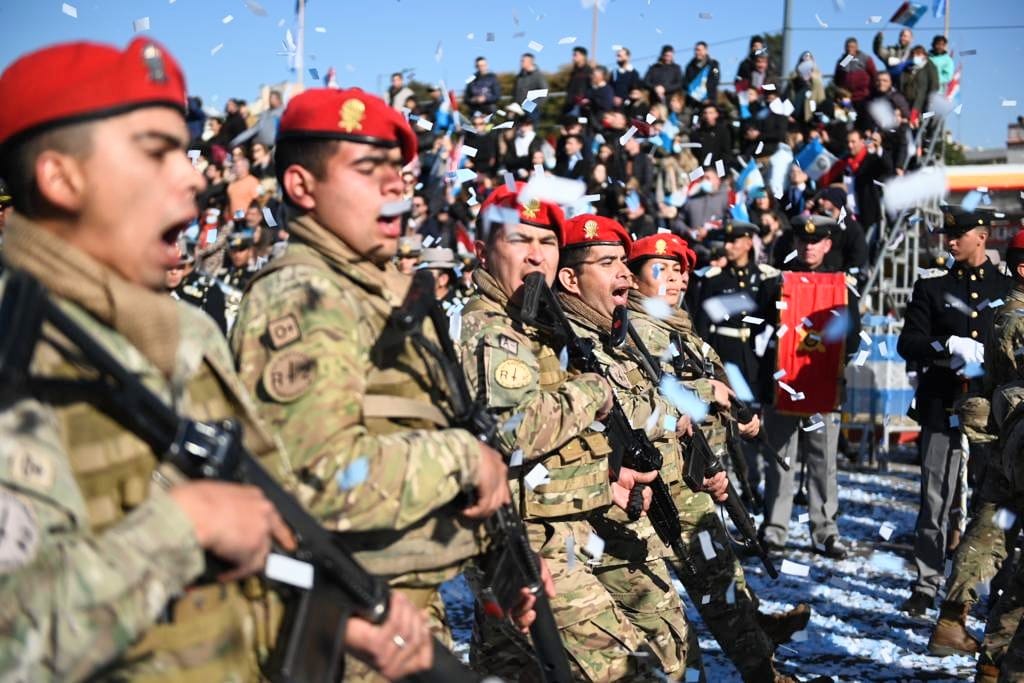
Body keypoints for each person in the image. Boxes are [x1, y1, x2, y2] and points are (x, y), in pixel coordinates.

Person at [0, 37, 436, 681]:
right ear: (61, 178)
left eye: (186, 150)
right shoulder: (18, 351)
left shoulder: (181, 332)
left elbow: (260, 535)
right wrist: (186, 523)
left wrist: (337, 620)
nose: (195, 176)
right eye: (155, 152)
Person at [230, 88, 544, 675]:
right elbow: (319, 480)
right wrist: (465, 459)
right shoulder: (305, 293)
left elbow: (403, 440)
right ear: (301, 187)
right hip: (349, 623)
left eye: (399, 172)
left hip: (400, 606)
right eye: (368, 169)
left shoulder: (369, 292)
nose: (397, 186)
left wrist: (503, 563)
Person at [457, 185, 663, 680]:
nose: (536, 255)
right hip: (526, 545)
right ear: (483, 251)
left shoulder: (526, 324)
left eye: (547, 242)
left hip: (541, 533)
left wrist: (603, 481)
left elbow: (540, 456)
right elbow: (520, 431)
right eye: (519, 240)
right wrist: (594, 392)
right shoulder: (492, 330)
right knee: (629, 671)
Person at [627, 233, 807, 683]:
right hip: (665, 476)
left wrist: (734, 416)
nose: (672, 280)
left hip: (687, 468)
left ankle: (757, 634)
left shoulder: (673, 324)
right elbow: (660, 398)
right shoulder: (644, 327)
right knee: (712, 578)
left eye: (679, 271)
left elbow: (708, 381)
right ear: (633, 275)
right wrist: (714, 397)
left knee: (719, 568)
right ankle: (760, 664)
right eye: (659, 270)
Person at [896, 206, 1012, 616]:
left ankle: (979, 585)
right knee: (934, 499)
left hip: (992, 415)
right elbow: (907, 343)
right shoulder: (931, 288)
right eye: (948, 235)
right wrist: (945, 344)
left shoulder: (1009, 285)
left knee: (990, 500)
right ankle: (926, 582)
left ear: (981, 235)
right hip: (941, 403)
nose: (950, 241)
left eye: (958, 234)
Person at [926, 230, 1024, 664]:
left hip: (1005, 442)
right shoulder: (1020, 319)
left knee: (988, 528)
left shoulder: (1005, 312)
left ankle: (953, 619)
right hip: (1017, 441)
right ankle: (999, 656)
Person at [758, 217, 861, 559]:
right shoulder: (777, 283)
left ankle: (825, 530)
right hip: (782, 384)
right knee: (780, 461)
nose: (808, 246)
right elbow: (761, 328)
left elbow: (854, 337)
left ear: (828, 244)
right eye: (802, 240)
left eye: (815, 241)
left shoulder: (841, 287)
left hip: (823, 386)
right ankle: (774, 529)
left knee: (824, 463)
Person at [168, 237, 228, 334]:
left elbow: (218, 331)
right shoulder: (155, 286)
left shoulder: (207, 287)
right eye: (169, 266)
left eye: (180, 266)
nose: (174, 271)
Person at [833, 38, 877, 124]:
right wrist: (849, 57)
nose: (850, 49)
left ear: (857, 47)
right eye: (848, 47)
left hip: (863, 96)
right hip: (847, 98)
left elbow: (873, 74)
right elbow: (838, 75)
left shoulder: (865, 58)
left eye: (852, 47)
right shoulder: (842, 61)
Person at [899, 45, 940, 128]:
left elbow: (934, 84)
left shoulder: (929, 66)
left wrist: (930, 99)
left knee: (921, 121)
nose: (915, 56)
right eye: (913, 54)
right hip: (907, 102)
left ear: (924, 55)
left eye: (918, 54)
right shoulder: (908, 67)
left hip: (921, 103)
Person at [683, 41, 721, 109]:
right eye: (696, 50)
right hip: (692, 102)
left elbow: (716, 78)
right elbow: (685, 82)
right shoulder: (689, 66)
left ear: (706, 51)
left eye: (699, 50)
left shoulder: (714, 65)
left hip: (708, 101)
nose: (697, 52)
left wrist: (707, 95)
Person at [513, 52, 547, 122]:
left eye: (523, 61)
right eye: (521, 61)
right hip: (519, 109)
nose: (521, 63)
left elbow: (544, 93)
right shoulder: (520, 76)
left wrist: (530, 106)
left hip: (532, 111)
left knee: (531, 130)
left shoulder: (538, 76)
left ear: (530, 62)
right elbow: (515, 92)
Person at [564, 46, 593, 115]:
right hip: (570, 104)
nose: (573, 57)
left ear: (583, 56)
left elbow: (591, 88)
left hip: (582, 105)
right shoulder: (573, 72)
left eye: (575, 55)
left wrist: (585, 99)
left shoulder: (589, 71)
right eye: (573, 55)